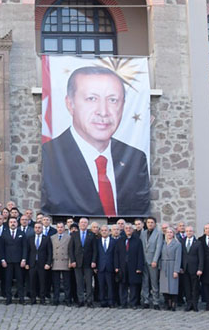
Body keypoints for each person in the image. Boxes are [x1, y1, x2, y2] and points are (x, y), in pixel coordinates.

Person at [40, 65, 151, 217]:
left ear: (123, 105)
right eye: (91, 99)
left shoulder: (135, 159)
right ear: (70, 104)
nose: (103, 112)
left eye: (113, 100)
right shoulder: (52, 155)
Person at [69, 217, 95, 308]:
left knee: (88, 283)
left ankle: (89, 300)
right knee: (79, 282)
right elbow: (71, 249)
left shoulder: (91, 235)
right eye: (82, 222)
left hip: (88, 263)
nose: (83, 224)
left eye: (85, 222)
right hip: (77, 262)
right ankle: (80, 300)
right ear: (79, 224)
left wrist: (93, 261)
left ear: (87, 224)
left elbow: (95, 250)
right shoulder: (74, 235)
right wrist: (72, 260)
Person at [0, 216, 27, 305]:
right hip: (7, 261)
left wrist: (24, 259)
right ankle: (8, 298)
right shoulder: (4, 233)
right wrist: (2, 259)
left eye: (14, 222)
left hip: (19, 261)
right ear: (8, 224)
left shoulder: (21, 233)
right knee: (8, 280)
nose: (12, 223)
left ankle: (21, 298)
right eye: (11, 222)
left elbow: (25, 247)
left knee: (20, 280)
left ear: (17, 223)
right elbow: (1, 248)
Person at [25, 221, 52, 305]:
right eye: (36, 227)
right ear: (34, 229)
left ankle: (42, 299)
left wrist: (48, 263)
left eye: (39, 227)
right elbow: (27, 251)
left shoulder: (46, 238)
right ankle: (33, 299)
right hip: (32, 264)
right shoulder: (30, 238)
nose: (37, 229)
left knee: (42, 282)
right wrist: (26, 263)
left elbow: (50, 252)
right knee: (32, 282)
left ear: (42, 229)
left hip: (42, 264)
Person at [118, 222, 144, 308]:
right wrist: (116, 266)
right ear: (124, 230)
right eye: (126, 228)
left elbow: (140, 254)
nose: (128, 230)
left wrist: (139, 267)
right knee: (123, 285)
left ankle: (133, 303)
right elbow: (116, 254)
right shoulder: (120, 240)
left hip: (133, 266)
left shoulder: (137, 240)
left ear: (133, 230)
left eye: (130, 228)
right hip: (122, 266)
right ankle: (123, 303)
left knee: (133, 286)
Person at [178, 225, 203, 312]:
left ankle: (195, 304)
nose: (189, 232)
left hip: (195, 269)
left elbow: (201, 257)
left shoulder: (198, 243)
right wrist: (180, 267)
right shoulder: (182, 241)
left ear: (193, 232)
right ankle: (189, 303)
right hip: (185, 269)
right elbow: (180, 255)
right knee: (187, 288)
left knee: (195, 287)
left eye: (190, 231)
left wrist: (200, 269)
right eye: (187, 231)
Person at [140, 216, 163, 309]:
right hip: (144, 260)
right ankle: (146, 300)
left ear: (155, 224)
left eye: (151, 222)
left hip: (153, 261)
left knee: (154, 282)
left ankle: (156, 301)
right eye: (148, 222)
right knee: (145, 282)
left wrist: (155, 260)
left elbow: (158, 248)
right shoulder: (143, 233)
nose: (150, 224)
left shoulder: (159, 233)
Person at [158, 226, 182, 311]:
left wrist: (176, 270)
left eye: (171, 232)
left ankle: (173, 304)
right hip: (164, 266)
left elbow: (178, 258)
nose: (169, 234)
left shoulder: (177, 244)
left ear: (173, 234)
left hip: (172, 265)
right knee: (164, 286)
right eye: (167, 232)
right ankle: (167, 303)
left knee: (173, 286)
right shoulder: (163, 243)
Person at [93, 224, 116, 308]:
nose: (104, 232)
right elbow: (95, 254)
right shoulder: (97, 242)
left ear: (109, 232)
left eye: (105, 230)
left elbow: (116, 255)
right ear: (100, 232)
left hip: (110, 267)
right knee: (101, 285)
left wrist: (116, 266)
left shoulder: (114, 241)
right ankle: (102, 301)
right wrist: (95, 266)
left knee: (110, 286)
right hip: (100, 267)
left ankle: (111, 301)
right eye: (102, 230)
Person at [50, 222, 71, 306]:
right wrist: (50, 262)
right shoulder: (52, 237)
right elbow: (50, 251)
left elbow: (71, 250)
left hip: (65, 261)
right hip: (55, 261)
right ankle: (56, 299)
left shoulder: (69, 237)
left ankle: (67, 299)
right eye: (58, 227)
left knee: (67, 283)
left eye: (61, 227)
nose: (60, 229)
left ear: (64, 228)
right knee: (56, 283)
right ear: (56, 228)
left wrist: (70, 261)